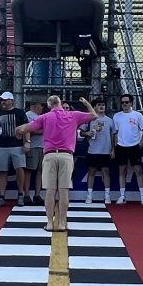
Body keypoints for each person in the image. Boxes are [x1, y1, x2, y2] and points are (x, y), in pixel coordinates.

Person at [20, 93, 95, 233]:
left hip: (49, 154)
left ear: (49, 106)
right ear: (60, 103)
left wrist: (19, 130)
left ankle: (49, 222)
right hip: (66, 155)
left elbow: (27, 128)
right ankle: (61, 222)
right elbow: (93, 115)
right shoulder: (73, 115)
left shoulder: (45, 117)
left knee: (50, 190)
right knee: (64, 190)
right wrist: (86, 103)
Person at [0, 91, 27, 206]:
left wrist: (27, 142)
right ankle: (2, 196)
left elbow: (26, 128)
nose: (3, 102)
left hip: (17, 145)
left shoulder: (20, 113)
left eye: (5, 100)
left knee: (20, 169)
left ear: (11, 100)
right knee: (2, 171)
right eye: (2, 100)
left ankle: (21, 194)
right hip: (2, 146)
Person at [113, 94, 143, 205]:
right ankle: (122, 196)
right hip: (121, 146)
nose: (124, 104)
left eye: (127, 102)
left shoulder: (137, 115)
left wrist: (140, 144)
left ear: (131, 103)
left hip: (134, 146)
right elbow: (115, 133)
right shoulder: (116, 116)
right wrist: (114, 147)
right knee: (121, 171)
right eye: (122, 102)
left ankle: (142, 196)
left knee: (138, 171)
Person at [82, 101, 114, 205]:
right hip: (93, 150)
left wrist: (113, 149)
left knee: (106, 172)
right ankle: (89, 195)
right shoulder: (89, 119)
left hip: (106, 151)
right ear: (94, 107)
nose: (101, 106)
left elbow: (113, 135)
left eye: (103, 104)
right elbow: (81, 132)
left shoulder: (109, 120)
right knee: (91, 172)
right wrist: (87, 133)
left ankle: (107, 195)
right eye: (99, 105)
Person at [23, 98, 47, 204]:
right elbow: (27, 130)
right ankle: (26, 195)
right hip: (33, 146)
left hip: (43, 146)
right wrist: (41, 131)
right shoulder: (28, 115)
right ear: (35, 105)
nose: (42, 107)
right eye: (41, 105)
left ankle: (37, 194)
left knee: (40, 171)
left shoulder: (41, 117)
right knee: (28, 171)